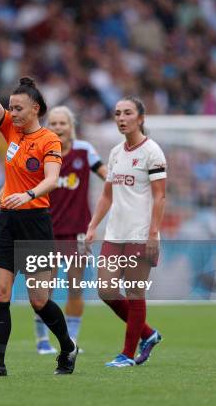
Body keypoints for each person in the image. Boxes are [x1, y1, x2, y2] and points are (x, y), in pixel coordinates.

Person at [0, 32, 77, 377]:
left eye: (17, 108)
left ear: (35, 109)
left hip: (36, 223)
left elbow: (52, 179)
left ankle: (68, 349)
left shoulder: (48, 139)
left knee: (40, 300)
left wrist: (28, 195)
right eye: (10, 108)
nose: (11, 113)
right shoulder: (11, 130)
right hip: (7, 222)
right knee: (0, 291)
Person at [0, 106, 107, 355]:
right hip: (44, 228)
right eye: (53, 123)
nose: (58, 127)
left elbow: (108, 178)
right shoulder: (40, 148)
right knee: (44, 291)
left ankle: (71, 339)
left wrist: (123, 187)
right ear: (47, 125)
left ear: (71, 126)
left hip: (76, 230)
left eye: (63, 123)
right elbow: (13, 186)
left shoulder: (85, 151)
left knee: (75, 287)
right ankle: (42, 340)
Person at [85, 96, 166, 367]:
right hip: (115, 233)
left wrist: (153, 233)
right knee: (105, 290)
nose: (121, 118)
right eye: (117, 113)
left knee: (134, 293)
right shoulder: (116, 152)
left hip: (140, 234)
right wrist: (93, 225)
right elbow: (106, 196)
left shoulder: (152, 152)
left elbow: (160, 197)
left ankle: (127, 355)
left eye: (127, 113)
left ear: (140, 118)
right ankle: (148, 334)